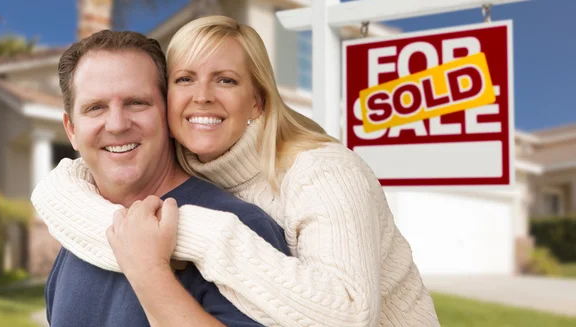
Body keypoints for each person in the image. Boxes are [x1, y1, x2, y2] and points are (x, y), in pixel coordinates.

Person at [33, 17, 440, 327]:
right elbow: (61, 189)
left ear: (258, 102)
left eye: (137, 103)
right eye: (186, 79)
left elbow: (349, 314)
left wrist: (177, 249)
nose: (202, 97)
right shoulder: (84, 225)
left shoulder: (312, 180)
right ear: (70, 129)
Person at [41, 30, 290, 327]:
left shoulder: (240, 226)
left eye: (137, 103)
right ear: (71, 130)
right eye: (96, 108)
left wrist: (151, 272)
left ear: (168, 114)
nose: (118, 124)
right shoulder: (79, 233)